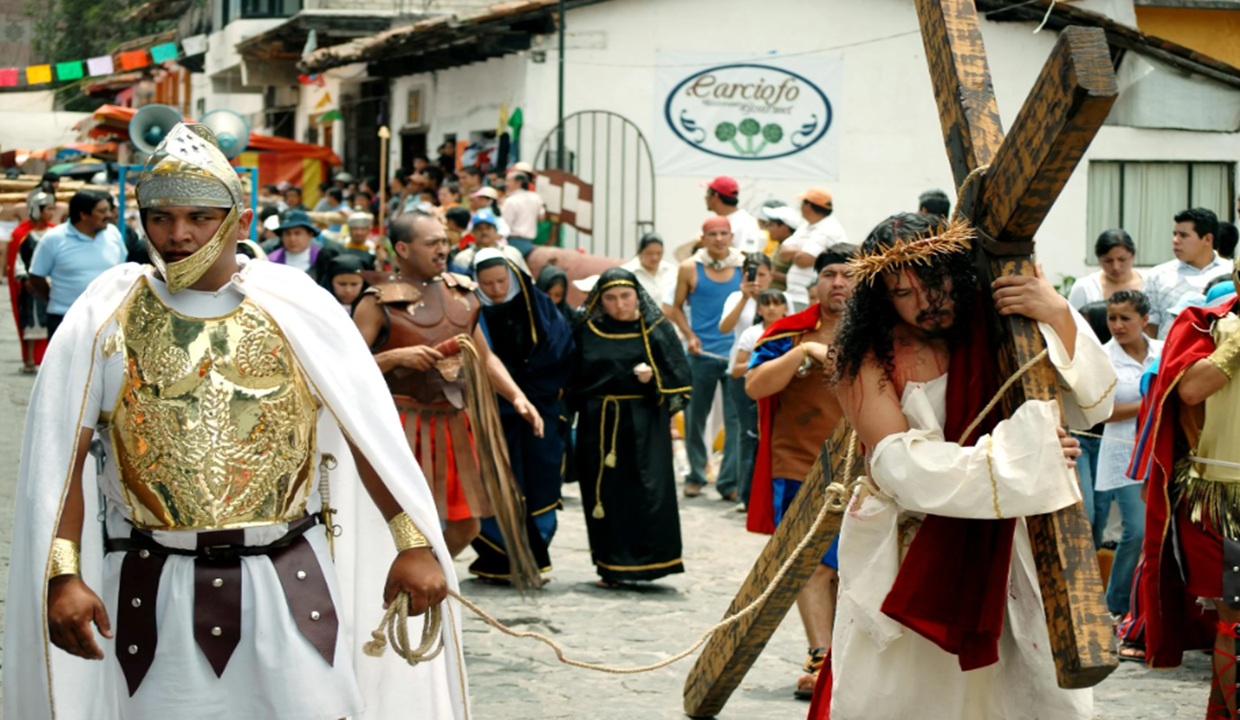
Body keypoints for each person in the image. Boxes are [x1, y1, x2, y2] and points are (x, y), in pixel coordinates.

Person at [3, 122, 468, 720]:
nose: (179, 234)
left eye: (199, 217)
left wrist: (412, 542)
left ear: (239, 221)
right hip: (151, 587)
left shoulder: (297, 309)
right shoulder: (105, 318)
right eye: (161, 217)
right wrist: (63, 575)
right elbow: (63, 458)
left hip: (289, 582)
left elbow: (365, 434)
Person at [817, 213, 1116, 720]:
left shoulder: (1001, 329)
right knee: (913, 694)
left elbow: (1093, 404)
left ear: (960, 272)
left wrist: (1057, 313)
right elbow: (897, 465)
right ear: (881, 298)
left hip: (1010, 539)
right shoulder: (865, 357)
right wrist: (1024, 456)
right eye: (903, 292)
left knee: (1026, 689)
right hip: (910, 545)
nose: (926, 302)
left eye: (934, 283)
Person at [352, 211, 544, 563]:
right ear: (402, 249)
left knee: (466, 526)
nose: (442, 249)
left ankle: (428, 583)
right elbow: (344, 369)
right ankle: (398, 584)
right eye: (431, 243)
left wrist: (517, 396)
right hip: (398, 426)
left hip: (453, 421)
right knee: (398, 526)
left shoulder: (461, 293)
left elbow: (485, 357)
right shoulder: (376, 301)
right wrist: (395, 357)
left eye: (444, 241)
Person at [1128, 250, 1240, 718]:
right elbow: (1189, 390)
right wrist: (1235, 344)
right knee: (1234, 618)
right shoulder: (1205, 324)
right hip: (1216, 497)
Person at [746, 247, 857, 699]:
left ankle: (848, 659)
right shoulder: (789, 333)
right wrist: (803, 354)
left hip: (868, 468)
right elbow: (755, 386)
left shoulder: (884, 332)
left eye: (848, 275)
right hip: (800, 467)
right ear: (816, 283)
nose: (838, 282)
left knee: (854, 567)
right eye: (829, 274)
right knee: (810, 565)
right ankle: (819, 655)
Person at [568, 267, 691, 586]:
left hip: (646, 425)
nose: (619, 304)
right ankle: (611, 565)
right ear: (600, 300)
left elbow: (679, 378)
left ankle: (651, 562)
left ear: (637, 296)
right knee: (606, 495)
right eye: (610, 298)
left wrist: (654, 378)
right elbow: (570, 377)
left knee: (648, 491)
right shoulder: (586, 330)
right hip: (600, 425)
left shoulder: (655, 329)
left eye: (625, 296)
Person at [470, 249, 575, 581]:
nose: (496, 290)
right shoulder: (469, 309)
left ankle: (534, 556)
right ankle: (498, 558)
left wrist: (528, 386)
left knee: (540, 478)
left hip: (538, 408)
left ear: (513, 276)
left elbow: (560, 350)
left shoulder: (538, 305)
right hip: (490, 411)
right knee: (494, 482)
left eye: (501, 281)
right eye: (487, 284)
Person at [665, 216, 744, 500]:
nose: (719, 239)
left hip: (735, 355)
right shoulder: (690, 267)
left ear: (731, 236)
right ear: (703, 238)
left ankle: (729, 482)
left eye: (724, 233)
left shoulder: (744, 266)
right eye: (713, 234)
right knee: (695, 417)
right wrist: (689, 336)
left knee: (736, 420)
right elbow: (675, 307)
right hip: (701, 353)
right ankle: (696, 475)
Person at [1093, 290, 1159, 620]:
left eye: (1125, 318)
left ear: (1144, 320)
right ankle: (1116, 605)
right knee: (1136, 530)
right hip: (1125, 456)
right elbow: (1101, 412)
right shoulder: (1103, 358)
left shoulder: (1164, 350)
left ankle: (1151, 604)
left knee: (1161, 532)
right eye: (1112, 318)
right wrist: (1150, 404)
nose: (1117, 325)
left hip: (1162, 452)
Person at [27, 190, 127, 337]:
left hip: (108, 318)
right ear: (83, 214)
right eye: (102, 211)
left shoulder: (113, 234)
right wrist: (54, 299)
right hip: (64, 318)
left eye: (108, 210)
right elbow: (36, 276)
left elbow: (122, 269)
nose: (109, 215)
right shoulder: (54, 239)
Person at [719, 253, 774, 510]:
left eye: (762, 274)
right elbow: (724, 327)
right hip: (740, 372)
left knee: (768, 432)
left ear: (771, 275)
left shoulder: (777, 299)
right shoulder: (735, 297)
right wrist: (744, 297)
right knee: (745, 433)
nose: (757, 280)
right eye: (752, 274)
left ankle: (764, 490)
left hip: (771, 373)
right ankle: (744, 492)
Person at [1145, 208, 1231, 338]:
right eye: (1175, 234)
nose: (1175, 240)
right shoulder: (1158, 276)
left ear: (1207, 239)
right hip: (1170, 349)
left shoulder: (1231, 272)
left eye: (1183, 235)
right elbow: (1149, 328)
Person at [6, 190, 55, 372]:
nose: (51, 213)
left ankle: (49, 359)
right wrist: (25, 279)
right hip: (31, 286)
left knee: (51, 322)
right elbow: (18, 260)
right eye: (48, 209)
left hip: (51, 284)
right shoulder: (22, 234)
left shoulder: (54, 232)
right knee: (31, 322)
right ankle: (29, 359)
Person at [780, 188, 847, 310]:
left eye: (802, 203)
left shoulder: (829, 229)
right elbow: (783, 252)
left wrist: (798, 252)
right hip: (794, 294)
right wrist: (801, 252)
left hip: (809, 297)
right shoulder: (806, 226)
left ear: (808, 206)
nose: (800, 207)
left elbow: (803, 260)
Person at [1069, 229, 1144, 309]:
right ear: (1099, 260)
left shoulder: (1149, 283)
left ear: (1133, 256)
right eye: (1108, 261)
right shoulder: (1085, 288)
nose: (1116, 267)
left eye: (1122, 260)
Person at [268, 209, 341, 287]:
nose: (292, 239)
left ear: (310, 234)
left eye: (297, 233)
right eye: (287, 234)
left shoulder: (324, 259)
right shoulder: (271, 262)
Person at [451, 208, 529, 276]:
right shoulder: (463, 259)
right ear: (473, 232)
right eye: (479, 229)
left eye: (488, 228)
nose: (484, 232)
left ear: (496, 230)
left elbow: (528, 280)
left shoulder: (512, 253)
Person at [703, 175, 763, 253]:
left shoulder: (745, 223)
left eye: (707, 194)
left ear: (715, 196)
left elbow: (748, 256)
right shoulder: (724, 220)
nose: (705, 198)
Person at [621, 232, 678, 303]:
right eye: (649, 253)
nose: (655, 258)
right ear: (640, 252)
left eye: (659, 253)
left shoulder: (672, 271)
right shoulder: (626, 272)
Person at [761, 204, 803, 292]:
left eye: (771, 225)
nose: (767, 229)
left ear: (784, 227)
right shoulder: (779, 244)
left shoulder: (794, 249)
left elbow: (802, 280)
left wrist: (773, 274)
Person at [501, 171, 543, 257]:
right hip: (528, 242)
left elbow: (505, 225)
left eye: (508, 181)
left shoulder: (511, 201)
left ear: (518, 183)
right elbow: (541, 216)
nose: (506, 184)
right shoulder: (536, 198)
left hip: (513, 242)